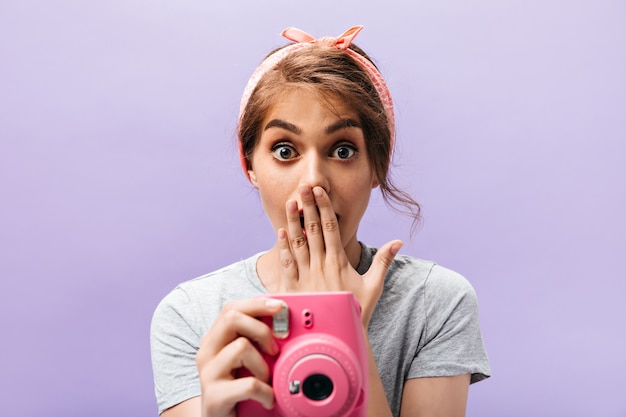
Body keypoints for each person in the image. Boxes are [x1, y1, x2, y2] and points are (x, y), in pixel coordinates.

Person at [150, 25, 490, 417]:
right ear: (250, 167)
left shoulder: (436, 302)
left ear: (376, 166)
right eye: (284, 150)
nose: (313, 179)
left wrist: (348, 330)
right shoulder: (190, 313)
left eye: (343, 150)